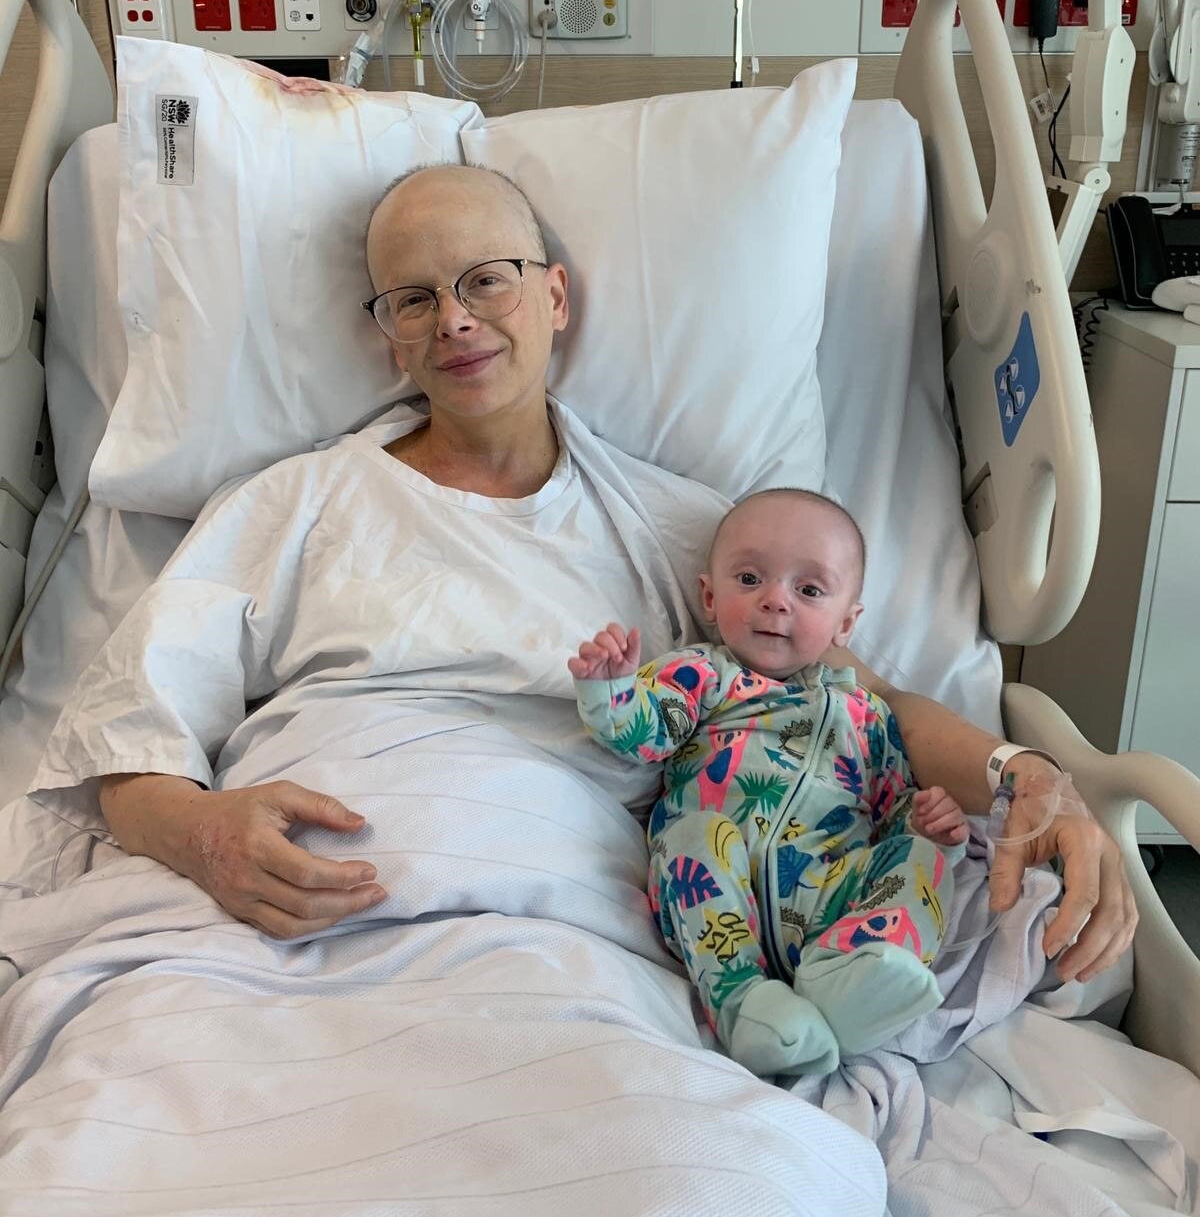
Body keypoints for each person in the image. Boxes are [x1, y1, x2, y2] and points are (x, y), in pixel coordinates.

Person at [31, 164, 1136, 986]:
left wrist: (1028, 774)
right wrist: (204, 837)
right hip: (270, 934)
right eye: (412, 298)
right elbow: (126, 741)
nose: (453, 317)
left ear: (555, 297)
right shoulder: (292, 503)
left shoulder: (692, 536)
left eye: (486, 280)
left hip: (563, 944)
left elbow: (864, 698)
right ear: (389, 338)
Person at [571, 488, 969, 1076]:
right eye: (750, 579)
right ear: (711, 597)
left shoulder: (867, 716)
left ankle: (854, 974)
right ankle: (744, 1004)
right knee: (692, 837)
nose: (775, 600)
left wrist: (925, 823)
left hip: (827, 893)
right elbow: (648, 732)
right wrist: (612, 690)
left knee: (922, 861)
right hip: (718, 899)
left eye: (808, 590)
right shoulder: (705, 673)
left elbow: (891, 809)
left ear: (846, 623)